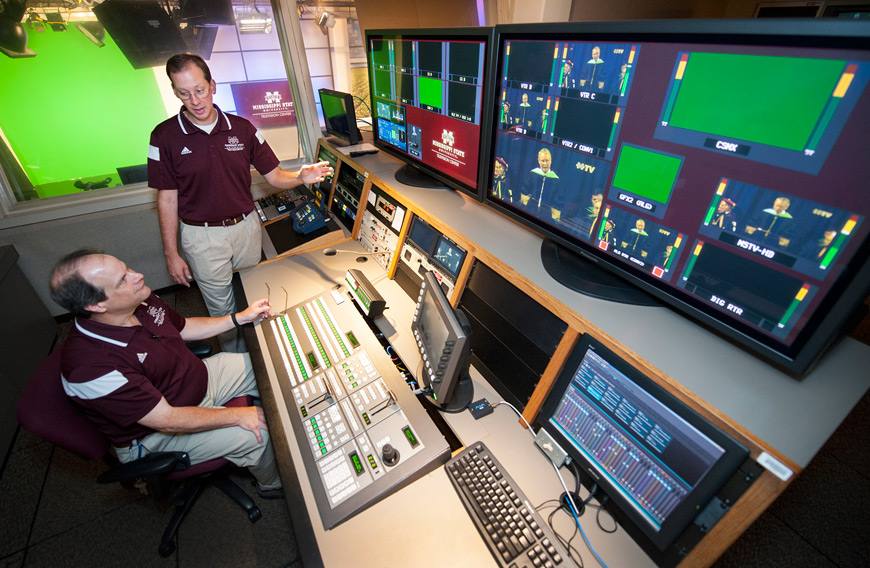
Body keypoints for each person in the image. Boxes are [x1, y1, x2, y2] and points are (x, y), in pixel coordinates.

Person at [49, 249, 283, 499]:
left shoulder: (141, 299)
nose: (137, 275)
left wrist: (237, 318)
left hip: (193, 379)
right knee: (258, 434)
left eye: (126, 268)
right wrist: (239, 415)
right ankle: (274, 486)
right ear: (96, 305)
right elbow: (166, 419)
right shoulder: (91, 368)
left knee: (272, 363)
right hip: (157, 433)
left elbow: (183, 326)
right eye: (122, 279)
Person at [148, 53, 332, 351]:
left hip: (246, 227)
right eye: (184, 93)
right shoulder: (163, 136)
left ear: (213, 85)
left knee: (257, 292)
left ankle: (268, 353)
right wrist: (171, 253)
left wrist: (301, 176)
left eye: (199, 90)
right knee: (223, 311)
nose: (194, 100)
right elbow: (166, 199)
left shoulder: (243, 128)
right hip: (202, 236)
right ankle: (241, 362)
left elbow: (274, 176)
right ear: (174, 92)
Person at [520, 148, 562, 221]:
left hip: (546, 216)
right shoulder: (533, 174)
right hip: (530, 211)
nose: (545, 164)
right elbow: (524, 192)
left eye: (547, 161)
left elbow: (557, 202)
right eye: (543, 161)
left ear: (551, 161)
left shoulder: (556, 180)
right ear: (539, 161)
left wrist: (555, 218)